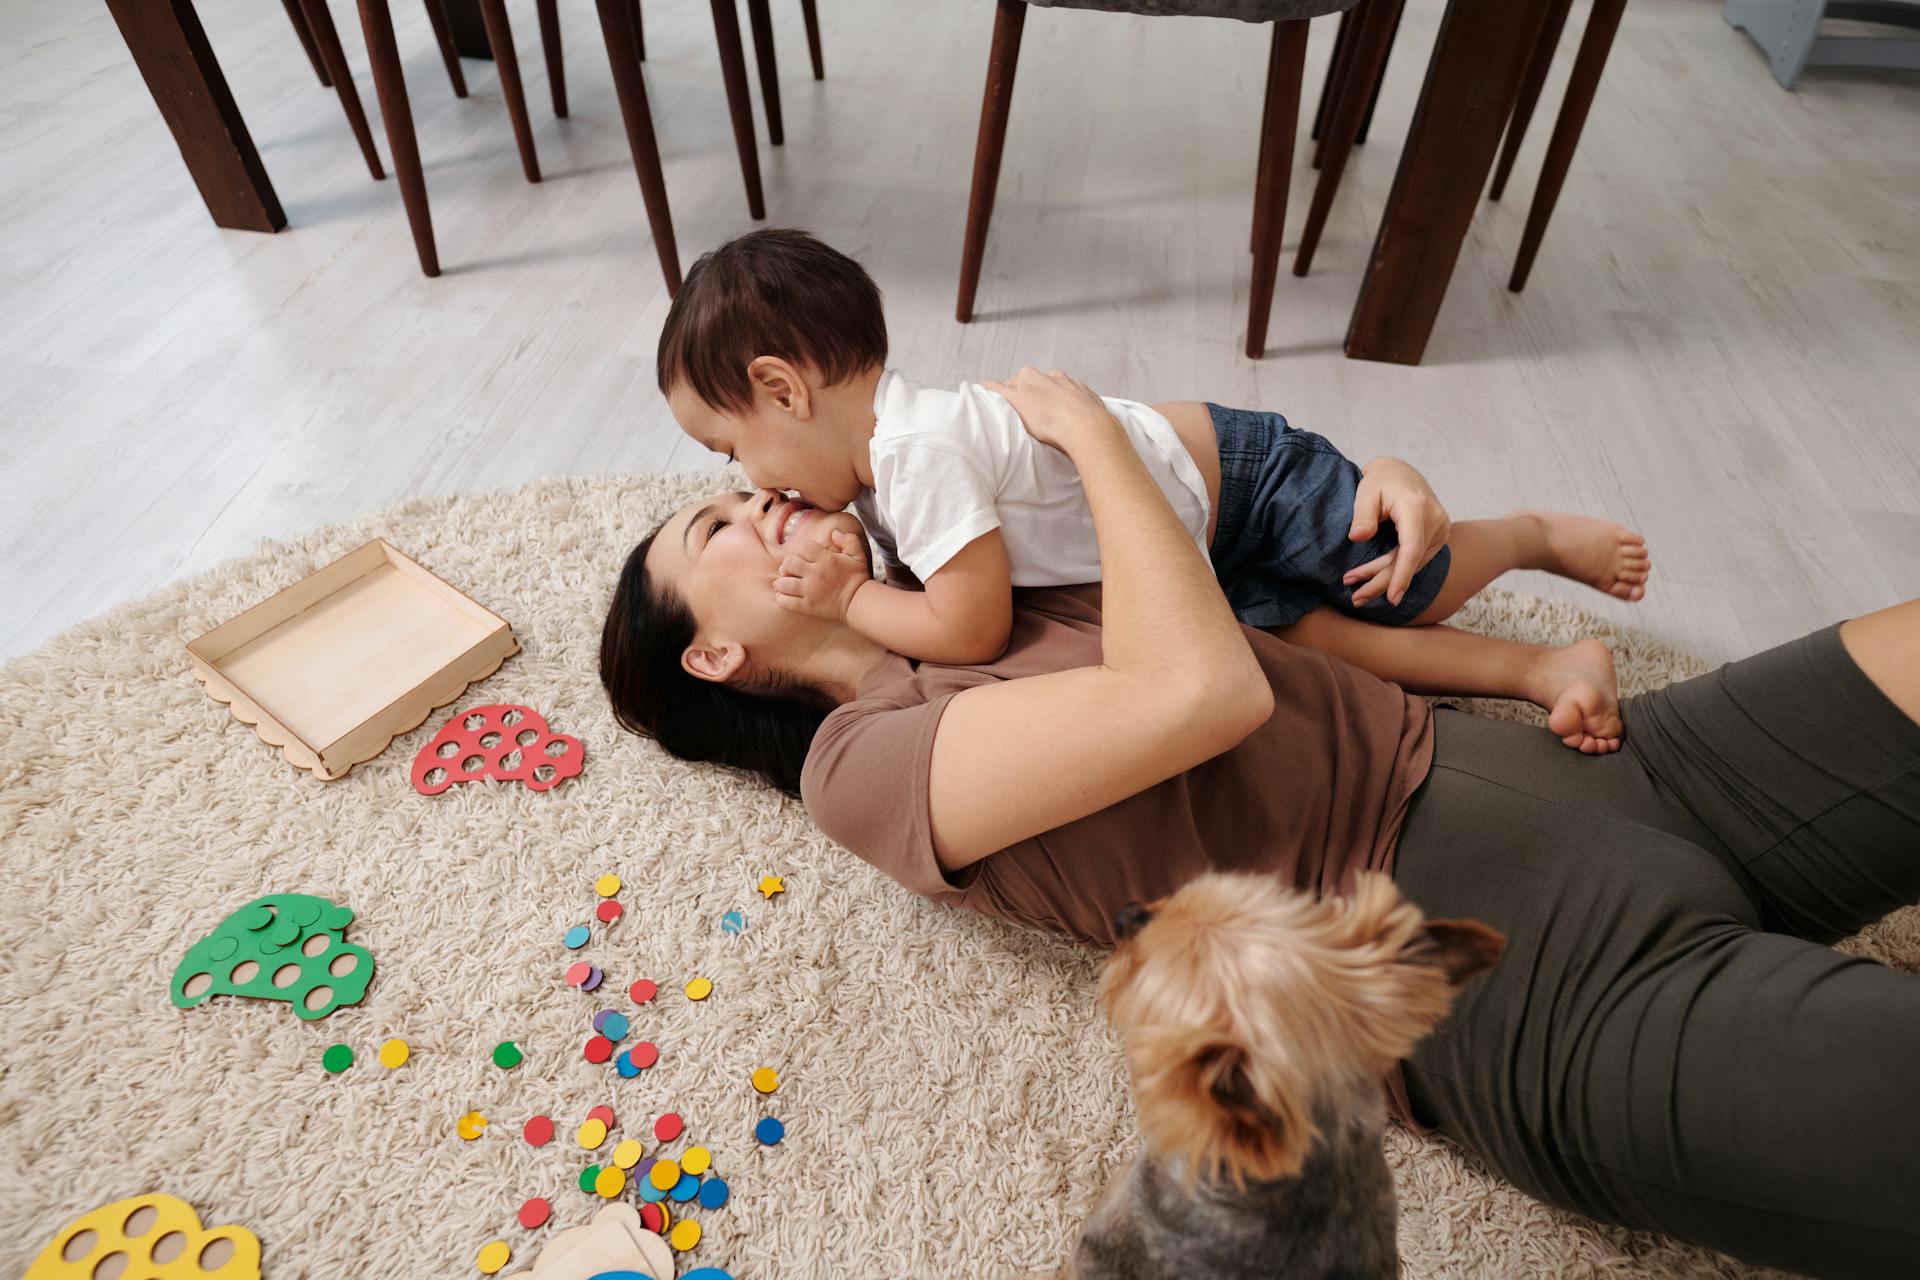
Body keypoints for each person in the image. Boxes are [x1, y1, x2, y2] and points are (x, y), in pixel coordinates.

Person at [601, 368, 1920, 1280]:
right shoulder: (863, 769)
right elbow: (1203, 688)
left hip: (1630, 773)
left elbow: (1215, 480)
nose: (758, 498)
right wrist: (1095, 446)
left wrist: (1387, 478)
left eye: (742, 483)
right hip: (1523, 994)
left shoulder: (958, 565)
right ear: (714, 656)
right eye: (715, 522)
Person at [655, 229, 1651, 751]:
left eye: (729, 449)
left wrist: (847, 599)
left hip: (1244, 483)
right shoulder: (878, 472)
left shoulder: (915, 453)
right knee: (1318, 643)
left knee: (1400, 580)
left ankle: (1524, 534)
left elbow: (970, 628)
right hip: (1190, 539)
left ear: (784, 389)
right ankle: (1541, 666)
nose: (752, 482)